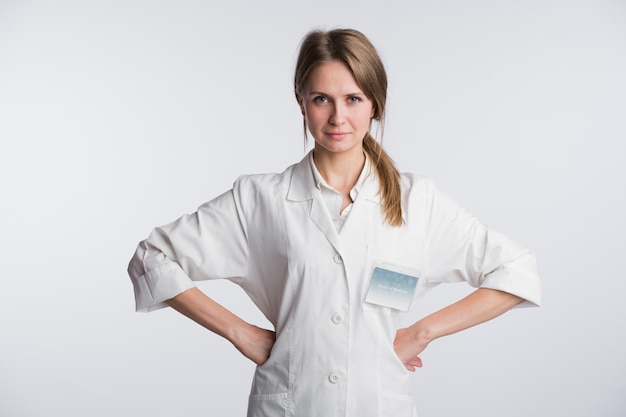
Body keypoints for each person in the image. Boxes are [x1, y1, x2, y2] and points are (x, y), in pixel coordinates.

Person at [128, 28, 541, 417]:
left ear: (375, 103)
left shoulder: (419, 203)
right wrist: (241, 333)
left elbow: (515, 271)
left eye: (354, 99)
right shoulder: (260, 199)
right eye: (322, 99)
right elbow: (153, 256)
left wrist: (421, 332)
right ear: (301, 101)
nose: (338, 117)